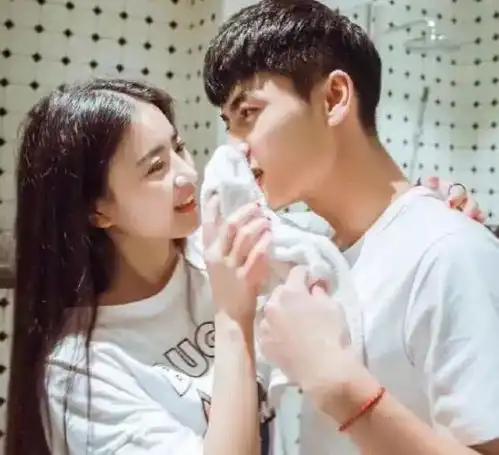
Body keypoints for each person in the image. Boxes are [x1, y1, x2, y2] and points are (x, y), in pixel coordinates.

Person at [3, 77, 483, 455]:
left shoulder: (221, 247)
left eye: (179, 148)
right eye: (155, 168)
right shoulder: (81, 373)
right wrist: (233, 319)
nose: (186, 173)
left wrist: (419, 218)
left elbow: (333, 249)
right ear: (98, 211)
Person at [202, 1, 499, 455]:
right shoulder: (314, 256)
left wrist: (334, 381)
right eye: (228, 123)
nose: (234, 149)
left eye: (249, 113)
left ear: (334, 98)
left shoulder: (449, 251)